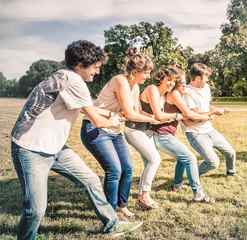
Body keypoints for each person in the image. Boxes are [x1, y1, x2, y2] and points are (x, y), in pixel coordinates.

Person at [10, 40, 142, 240]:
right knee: (35, 209)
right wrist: (114, 119)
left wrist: (108, 113)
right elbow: (96, 121)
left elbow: (86, 107)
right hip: (30, 148)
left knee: (91, 181)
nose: (97, 72)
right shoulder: (74, 81)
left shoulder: (65, 76)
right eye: (96, 67)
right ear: (80, 65)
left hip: (55, 148)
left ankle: (112, 225)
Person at [80, 48, 158, 218]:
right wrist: (152, 120)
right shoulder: (120, 81)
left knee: (128, 168)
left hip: (115, 130)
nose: (148, 76)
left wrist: (154, 116)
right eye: (147, 72)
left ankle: (121, 206)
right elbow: (129, 114)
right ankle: (110, 210)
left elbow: (136, 111)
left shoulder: (135, 87)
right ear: (136, 71)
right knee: (114, 169)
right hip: (96, 128)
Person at [124, 66, 184, 210]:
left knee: (150, 162)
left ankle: (142, 196)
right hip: (135, 130)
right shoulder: (152, 89)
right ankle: (144, 196)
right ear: (160, 78)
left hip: (147, 132)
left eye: (173, 81)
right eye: (168, 80)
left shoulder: (163, 95)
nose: (171, 83)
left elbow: (156, 118)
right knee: (154, 159)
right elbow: (159, 116)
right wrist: (176, 116)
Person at [154, 65, 214, 202]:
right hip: (162, 135)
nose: (185, 88)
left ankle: (177, 184)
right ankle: (199, 194)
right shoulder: (174, 94)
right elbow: (187, 114)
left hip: (166, 134)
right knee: (190, 158)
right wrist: (209, 116)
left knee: (182, 157)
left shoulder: (177, 93)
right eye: (183, 84)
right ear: (176, 84)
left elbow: (187, 116)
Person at [183, 63, 237, 176]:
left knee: (230, 152)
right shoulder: (187, 92)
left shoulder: (206, 88)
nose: (208, 79)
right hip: (195, 133)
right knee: (213, 163)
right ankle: (191, 176)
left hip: (209, 130)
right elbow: (193, 117)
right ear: (197, 78)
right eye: (206, 76)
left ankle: (231, 173)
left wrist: (217, 109)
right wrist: (213, 113)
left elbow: (207, 106)